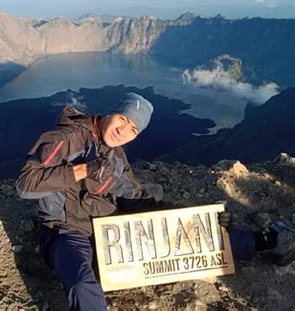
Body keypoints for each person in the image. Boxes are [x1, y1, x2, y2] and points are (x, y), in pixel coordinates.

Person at [15, 92, 294, 311]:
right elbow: (25, 185)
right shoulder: (66, 138)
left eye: (133, 129)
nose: (124, 130)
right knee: (81, 283)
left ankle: (267, 241)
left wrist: (198, 220)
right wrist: (81, 171)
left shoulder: (115, 155)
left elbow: (135, 199)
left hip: (111, 230)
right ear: (111, 112)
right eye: (123, 119)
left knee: (186, 236)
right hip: (67, 231)